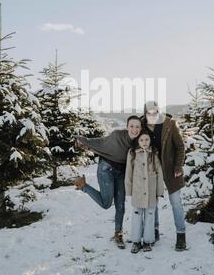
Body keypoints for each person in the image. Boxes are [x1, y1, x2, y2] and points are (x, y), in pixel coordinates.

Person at [74, 115, 142, 248]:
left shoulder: (139, 141)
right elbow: (102, 142)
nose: (134, 129)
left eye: (137, 127)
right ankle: (83, 186)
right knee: (106, 204)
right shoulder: (117, 136)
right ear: (127, 127)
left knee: (120, 205)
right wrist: (84, 141)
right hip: (106, 169)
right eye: (132, 126)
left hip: (122, 172)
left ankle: (118, 234)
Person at [141, 101, 187, 251]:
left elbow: (180, 147)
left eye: (155, 113)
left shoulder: (169, 124)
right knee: (152, 203)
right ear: (145, 113)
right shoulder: (141, 126)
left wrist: (178, 165)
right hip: (151, 170)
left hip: (170, 169)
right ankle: (154, 231)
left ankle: (181, 235)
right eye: (149, 113)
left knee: (175, 202)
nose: (152, 116)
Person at [125, 130, 164, 253]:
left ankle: (148, 241)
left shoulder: (154, 153)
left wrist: (159, 191)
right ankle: (136, 241)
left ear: (150, 140)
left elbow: (159, 173)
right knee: (136, 216)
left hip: (151, 191)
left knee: (150, 216)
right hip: (137, 190)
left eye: (147, 139)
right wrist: (129, 190)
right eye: (141, 140)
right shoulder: (132, 153)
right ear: (138, 141)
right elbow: (128, 172)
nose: (144, 142)